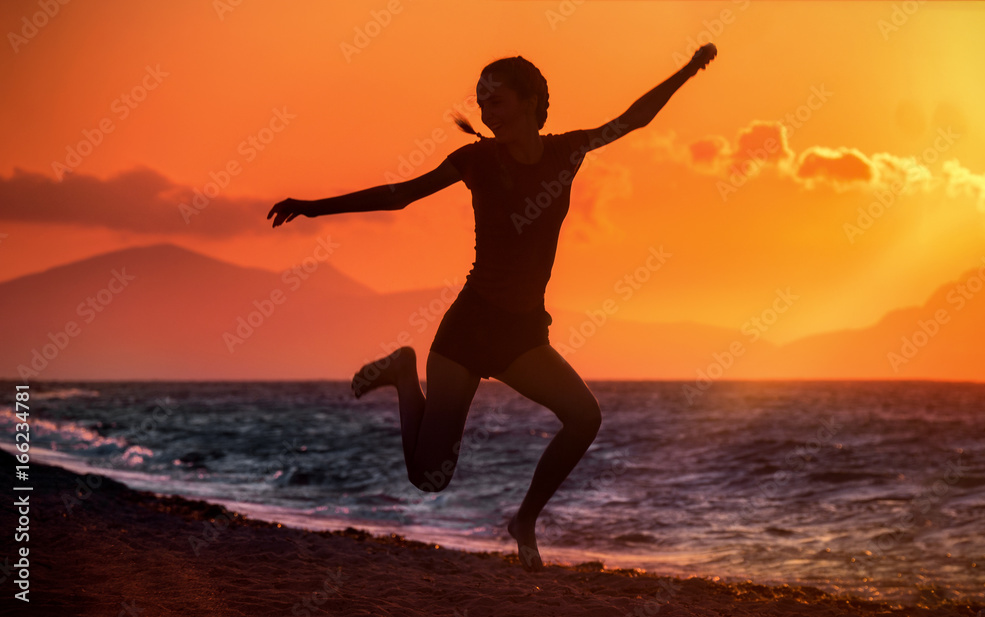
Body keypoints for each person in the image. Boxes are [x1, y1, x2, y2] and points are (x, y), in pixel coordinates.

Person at [267, 43, 718, 571]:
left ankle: (524, 519)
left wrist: (686, 70)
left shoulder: (567, 151)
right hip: (469, 329)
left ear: (530, 102)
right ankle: (405, 374)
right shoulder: (475, 160)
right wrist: (313, 207)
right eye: (480, 103)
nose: (485, 111)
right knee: (428, 477)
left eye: (495, 100)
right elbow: (400, 195)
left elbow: (633, 120)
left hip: (522, 334)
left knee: (583, 417)